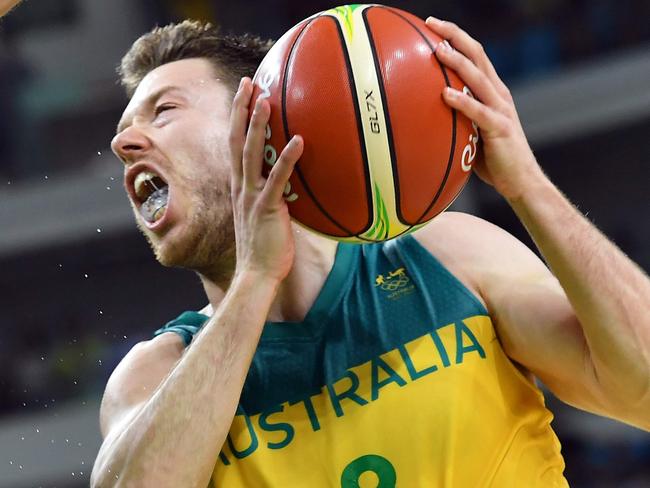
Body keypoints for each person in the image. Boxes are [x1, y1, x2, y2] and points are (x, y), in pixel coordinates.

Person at [90, 15, 650, 488]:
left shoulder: (446, 256)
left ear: (263, 121)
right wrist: (256, 280)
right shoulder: (155, 373)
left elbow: (642, 386)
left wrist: (528, 185)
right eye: (123, 134)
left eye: (163, 111)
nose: (123, 143)